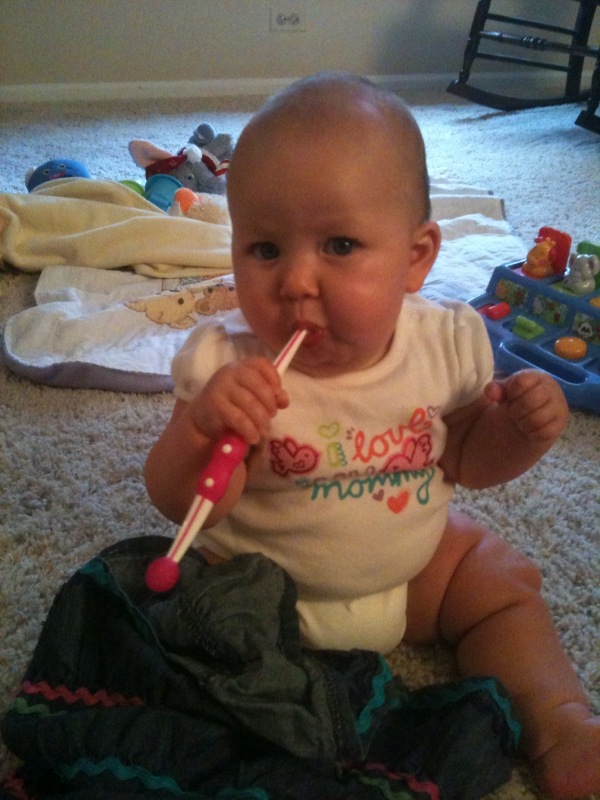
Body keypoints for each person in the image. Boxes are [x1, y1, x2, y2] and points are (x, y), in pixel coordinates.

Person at [145, 72, 600, 799]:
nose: (297, 281)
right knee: (190, 656)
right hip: (263, 591)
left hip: (409, 575)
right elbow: (180, 502)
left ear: (416, 259)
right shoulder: (224, 366)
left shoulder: (446, 346)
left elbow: (465, 461)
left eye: (340, 244)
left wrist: (517, 433)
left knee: (500, 580)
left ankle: (561, 722)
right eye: (264, 249)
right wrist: (205, 429)